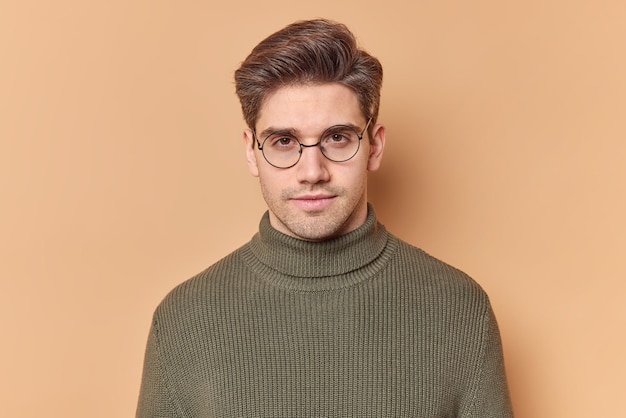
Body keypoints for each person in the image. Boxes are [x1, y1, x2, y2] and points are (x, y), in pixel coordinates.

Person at [136, 18, 513, 417]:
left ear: (374, 145)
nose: (312, 171)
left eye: (337, 137)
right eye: (284, 141)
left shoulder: (458, 310)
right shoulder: (183, 321)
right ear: (251, 151)